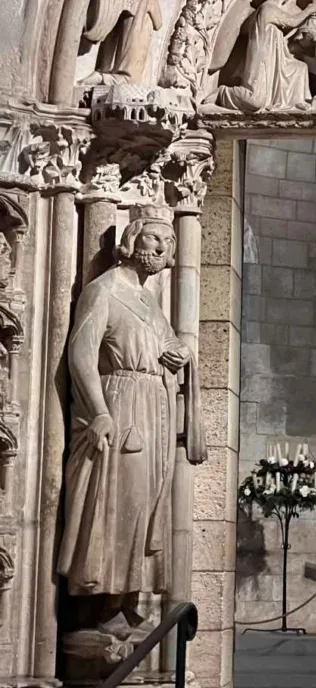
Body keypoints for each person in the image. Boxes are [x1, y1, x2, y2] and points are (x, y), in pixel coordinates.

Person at [58, 205, 206, 644]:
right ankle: (99, 604)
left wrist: (180, 354)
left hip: (154, 405)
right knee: (119, 503)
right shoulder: (103, 290)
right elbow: (81, 354)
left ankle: (127, 601)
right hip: (122, 404)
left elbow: (166, 343)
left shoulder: (149, 298)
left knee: (149, 503)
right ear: (130, 240)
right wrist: (99, 411)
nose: (162, 248)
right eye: (153, 239)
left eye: (169, 241)